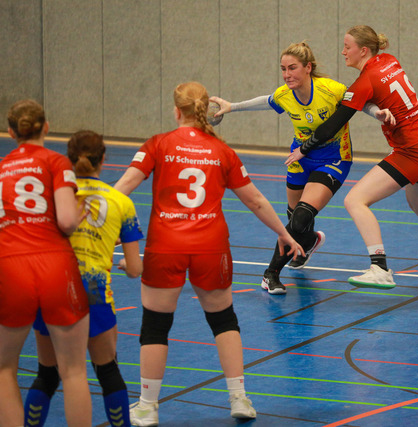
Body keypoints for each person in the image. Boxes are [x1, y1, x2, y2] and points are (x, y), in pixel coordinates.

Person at [114, 81, 304, 424]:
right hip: (210, 247)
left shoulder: (158, 144)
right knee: (223, 320)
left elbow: (123, 187)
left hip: (165, 245)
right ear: (204, 110)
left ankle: (147, 406)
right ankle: (239, 399)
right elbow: (255, 200)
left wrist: (98, 222)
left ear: (177, 111)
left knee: (155, 326)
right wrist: (284, 233)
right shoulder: (222, 151)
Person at [286, 26, 418, 289]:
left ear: (363, 50)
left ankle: (379, 269)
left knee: (355, 200)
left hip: (413, 150)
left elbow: (331, 127)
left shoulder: (365, 81)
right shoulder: (389, 60)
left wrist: (303, 149)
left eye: (347, 47)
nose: (343, 51)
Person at [211, 41, 393, 294]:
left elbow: (361, 102)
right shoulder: (285, 95)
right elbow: (266, 101)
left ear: (308, 67)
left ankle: (270, 274)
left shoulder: (331, 89)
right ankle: (310, 241)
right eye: (283, 69)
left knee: (301, 216)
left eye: (292, 68)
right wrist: (232, 107)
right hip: (299, 158)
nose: (287, 74)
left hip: (333, 160)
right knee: (295, 220)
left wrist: (377, 113)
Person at [24, 130, 144, 427]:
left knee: (47, 373)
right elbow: (135, 268)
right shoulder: (120, 202)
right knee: (108, 371)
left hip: (50, 287)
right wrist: (123, 264)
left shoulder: (53, 196)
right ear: (104, 159)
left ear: (68, 158)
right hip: (92, 290)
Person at [0, 100, 92, 426]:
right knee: (74, 371)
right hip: (55, 265)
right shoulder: (56, 162)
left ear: (11, 132)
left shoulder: (1, 168)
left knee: (4, 369)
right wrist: (77, 215)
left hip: (11, 265)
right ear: (47, 127)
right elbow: (66, 220)